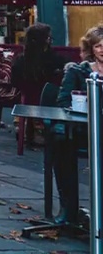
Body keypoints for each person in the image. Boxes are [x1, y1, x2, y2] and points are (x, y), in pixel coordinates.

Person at [53, 25, 103, 224]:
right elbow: (63, 101)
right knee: (61, 144)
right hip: (84, 129)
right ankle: (69, 208)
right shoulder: (77, 71)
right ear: (91, 49)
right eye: (99, 46)